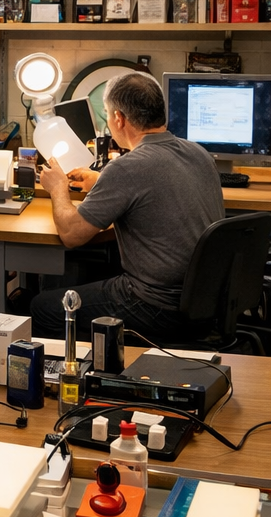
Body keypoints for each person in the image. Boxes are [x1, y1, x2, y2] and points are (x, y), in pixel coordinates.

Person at [31, 72, 224, 342]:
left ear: (119, 118)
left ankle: (84, 367)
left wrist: (58, 188)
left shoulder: (126, 168)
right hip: (206, 302)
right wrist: (101, 181)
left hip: (156, 306)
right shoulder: (198, 153)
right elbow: (154, 186)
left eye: (108, 116)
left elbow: (72, 235)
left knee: (42, 308)